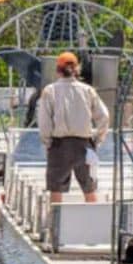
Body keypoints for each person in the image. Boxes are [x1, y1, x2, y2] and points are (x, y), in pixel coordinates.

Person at [37, 51, 109, 203]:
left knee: (56, 189)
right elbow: (104, 116)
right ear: (77, 69)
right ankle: (94, 223)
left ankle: (55, 224)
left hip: (59, 145)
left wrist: (47, 142)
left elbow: (44, 122)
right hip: (84, 144)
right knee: (89, 188)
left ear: (58, 70)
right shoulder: (88, 90)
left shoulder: (50, 91)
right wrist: (96, 140)